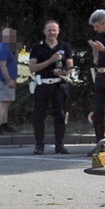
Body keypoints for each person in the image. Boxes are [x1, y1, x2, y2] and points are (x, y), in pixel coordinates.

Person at [28, 20, 74, 155]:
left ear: (58, 31)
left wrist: (64, 71)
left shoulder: (65, 46)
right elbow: (32, 67)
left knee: (60, 115)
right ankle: (39, 145)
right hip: (42, 84)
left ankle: (59, 145)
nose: (52, 33)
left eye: (54, 30)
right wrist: (51, 60)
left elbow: (70, 66)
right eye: (49, 30)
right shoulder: (37, 47)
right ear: (44, 31)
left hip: (59, 84)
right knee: (39, 116)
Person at [87, 10, 105, 155]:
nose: (95, 29)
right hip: (101, 76)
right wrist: (96, 54)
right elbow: (97, 51)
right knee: (97, 113)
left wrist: (104, 49)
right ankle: (100, 145)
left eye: (97, 26)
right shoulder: (100, 35)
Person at [0, 27, 19, 135]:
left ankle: (4, 124)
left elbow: (14, 60)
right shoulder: (3, 49)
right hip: (4, 80)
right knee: (3, 103)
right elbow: (3, 66)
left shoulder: (6, 47)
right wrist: (8, 80)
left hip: (7, 79)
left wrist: (16, 49)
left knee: (6, 102)